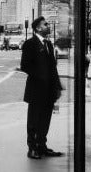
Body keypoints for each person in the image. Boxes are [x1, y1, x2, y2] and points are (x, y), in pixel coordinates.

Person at [20, 16, 64, 159]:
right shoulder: (30, 44)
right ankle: (32, 148)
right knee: (34, 120)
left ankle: (42, 146)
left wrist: (57, 86)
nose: (48, 26)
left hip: (49, 89)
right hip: (36, 89)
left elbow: (53, 67)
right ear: (38, 28)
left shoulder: (49, 44)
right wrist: (41, 76)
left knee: (45, 119)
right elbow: (25, 66)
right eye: (45, 25)